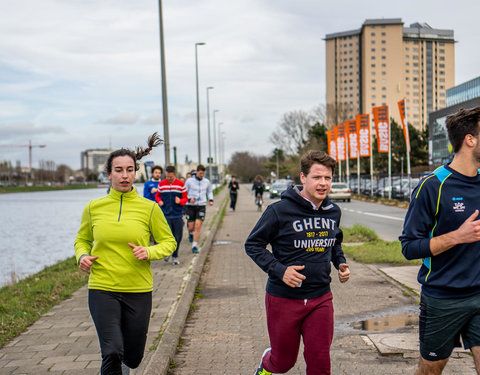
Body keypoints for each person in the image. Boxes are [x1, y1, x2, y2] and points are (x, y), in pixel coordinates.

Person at [74, 133, 177, 375]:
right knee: (111, 351)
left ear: (135, 173)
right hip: (102, 287)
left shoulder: (149, 208)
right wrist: (81, 257)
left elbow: (169, 242)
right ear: (109, 174)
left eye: (129, 170)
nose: (124, 175)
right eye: (118, 170)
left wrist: (149, 251)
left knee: (133, 356)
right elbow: (82, 240)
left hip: (138, 289)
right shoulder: (93, 208)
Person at [245, 150, 350, 375]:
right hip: (284, 298)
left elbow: (334, 241)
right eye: (317, 177)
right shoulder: (279, 211)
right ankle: (266, 362)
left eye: (328, 178)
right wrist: (280, 270)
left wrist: (340, 262)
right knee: (283, 363)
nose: (323, 183)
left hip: (321, 297)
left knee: (320, 364)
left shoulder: (333, 212)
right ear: (303, 178)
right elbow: (252, 245)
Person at [400, 107, 480, 375]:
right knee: (431, 370)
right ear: (470, 139)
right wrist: (458, 236)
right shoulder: (432, 186)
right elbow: (409, 247)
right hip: (443, 298)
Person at [155, 165, 188, 265]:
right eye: (167, 177)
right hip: (166, 215)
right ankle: (168, 253)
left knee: (178, 237)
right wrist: (159, 201)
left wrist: (180, 201)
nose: (169, 179)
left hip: (177, 215)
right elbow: (157, 195)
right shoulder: (162, 184)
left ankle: (175, 256)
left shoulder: (181, 185)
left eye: (171, 177)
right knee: (168, 237)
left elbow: (186, 198)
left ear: (174, 175)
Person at [184, 164, 213, 253]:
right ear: (196, 172)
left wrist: (211, 199)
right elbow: (184, 192)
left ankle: (194, 246)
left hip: (201, 205)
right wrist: (189, 199)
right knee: (191, 226)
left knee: (198, 226)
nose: (201, 175)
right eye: (200, 173)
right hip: (191, 206)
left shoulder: (206, 182)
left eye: (203, 174)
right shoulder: (189, 181)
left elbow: (209, 191)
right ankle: (191, 233)